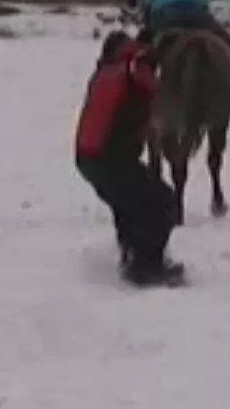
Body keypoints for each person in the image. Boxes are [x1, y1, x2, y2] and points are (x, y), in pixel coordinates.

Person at [74, 30, 184, 286]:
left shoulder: (103, 73)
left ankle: (132, 255)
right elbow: (156, 96)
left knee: (129, 204)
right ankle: (146, 267)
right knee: (163, 202)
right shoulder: (134, 68)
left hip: (87, 159)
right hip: (112, 159)